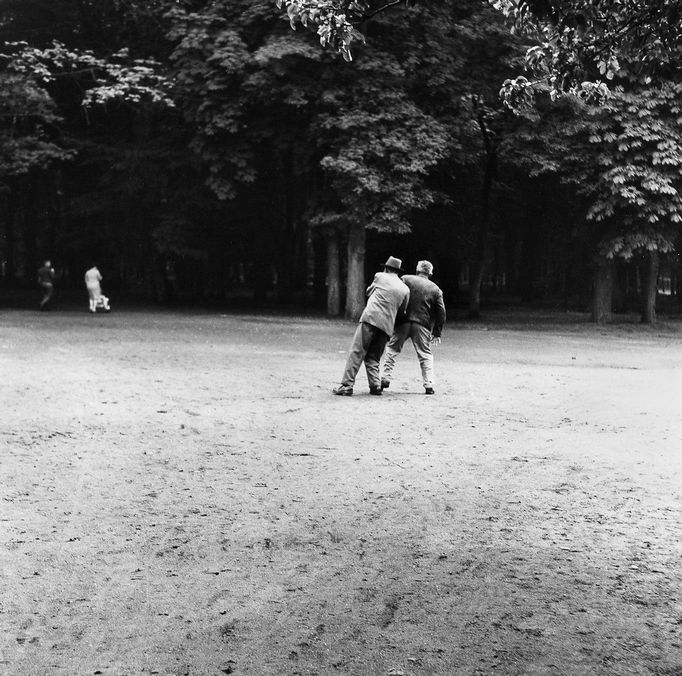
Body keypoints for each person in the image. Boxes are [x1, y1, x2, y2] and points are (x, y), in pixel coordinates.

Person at [333, 256, 410, 396]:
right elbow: (402, 310)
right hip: (387, 326)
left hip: (370, 319)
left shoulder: (379, 276)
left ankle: (346, 386)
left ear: (386, 268)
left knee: (357, 351)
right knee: (374, 357)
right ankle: (375, 386)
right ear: (398, 271)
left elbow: (369, 292)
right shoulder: (405, 289)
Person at [381, 259, 446, 395]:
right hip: (422, 324)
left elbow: (395, 293)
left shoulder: (405, 279)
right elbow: (441, 312)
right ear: (430, 273)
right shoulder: (436, 289)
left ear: (417, 270)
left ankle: (385, 378)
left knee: (392, 349)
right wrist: (437, 332)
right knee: (425, 354)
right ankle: (428, 385)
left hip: (403, 321)